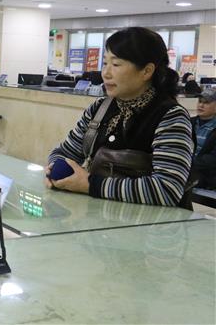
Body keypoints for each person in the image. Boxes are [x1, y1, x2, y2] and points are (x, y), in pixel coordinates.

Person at [46, 27, 193, 207]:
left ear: (146, 71)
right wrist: (56, 171)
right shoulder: (99, 108)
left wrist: (90, 184)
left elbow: (166, 190)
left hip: (156, 224)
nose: (106, 73)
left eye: (116, 65)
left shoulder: (171, 117)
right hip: (102, 217)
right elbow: (63, 153)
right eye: (105, 63)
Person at [190, 89, 216, 189]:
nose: (201, 105)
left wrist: (187, 163)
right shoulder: (188, 122)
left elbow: (212, 159)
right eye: (200, 101)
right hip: (184, 173)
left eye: (206, 102)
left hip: (206, 181)